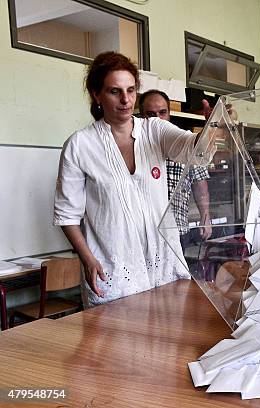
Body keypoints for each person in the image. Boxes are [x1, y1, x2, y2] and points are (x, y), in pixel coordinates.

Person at [54, 52, 212, 307]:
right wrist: (87, 259)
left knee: (170, 344)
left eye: (131, 90)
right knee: (119, 344)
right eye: (115, 91)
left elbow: (193, 150)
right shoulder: (80, 145)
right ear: (97, 94)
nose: (126, 99)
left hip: (164, 267)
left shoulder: (154, 130)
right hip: (113, 271)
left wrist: (212, 126)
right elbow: (67, 216)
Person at [139, 90, 213, 249]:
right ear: (141, 116)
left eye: (162, 112)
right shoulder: (133, 147)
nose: (157, 119)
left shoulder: (182, 142)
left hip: (177, 230)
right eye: (150, 114)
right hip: (143, 232)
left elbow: (200, 185)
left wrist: (205, 218)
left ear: (169, 114)